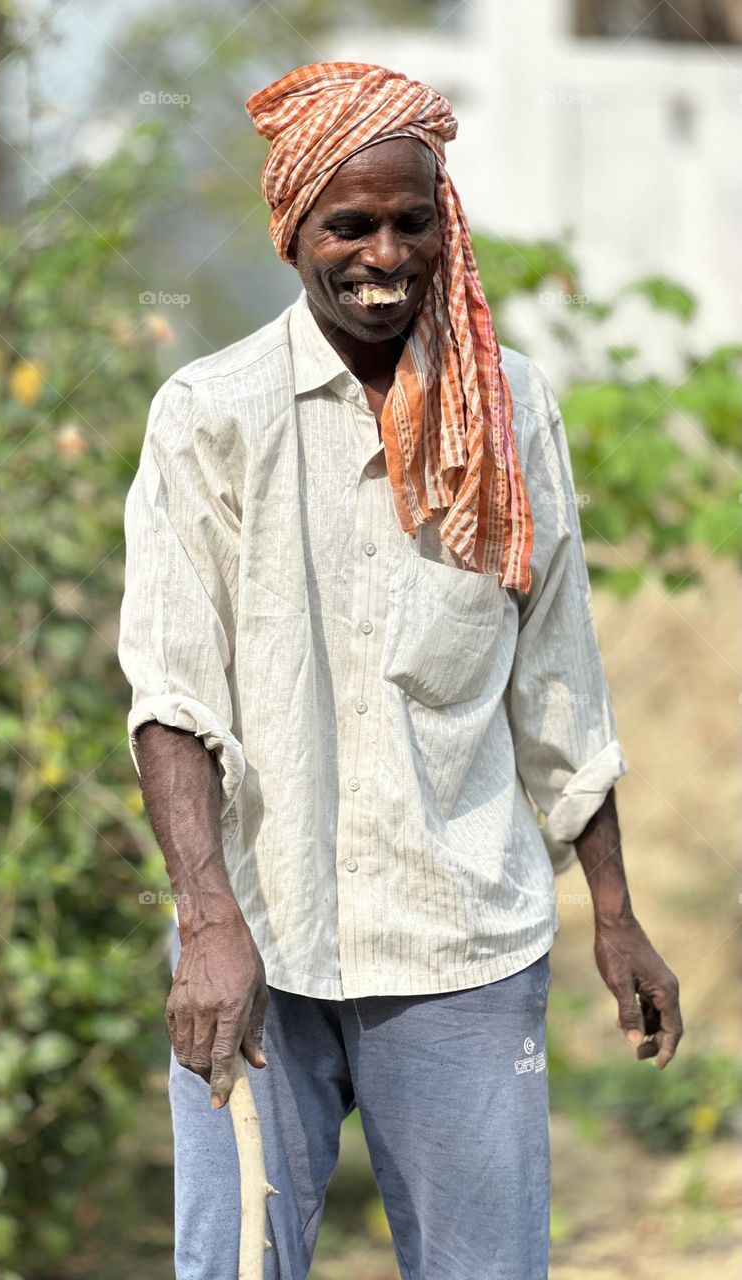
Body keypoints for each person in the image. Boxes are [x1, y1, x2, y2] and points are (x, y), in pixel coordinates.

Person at [118, 61, 682, 1280]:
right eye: (350, 224)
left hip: (460, 941)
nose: (384, 252)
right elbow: (172, 695)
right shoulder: (210, 414)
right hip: (256, 941)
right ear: (294, 232)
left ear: (445, 224)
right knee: (231, 1264)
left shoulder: (510, 408)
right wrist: (207, 919)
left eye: (410, 221)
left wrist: (618, 913)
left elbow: (557, 676)